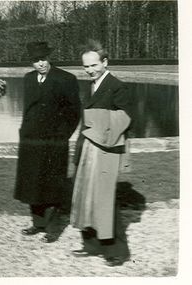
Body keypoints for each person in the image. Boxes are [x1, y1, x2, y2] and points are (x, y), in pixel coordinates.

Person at [70, 39, 132, 267]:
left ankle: (117, 252)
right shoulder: (93, 84)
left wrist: (96, 125)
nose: (89, 71)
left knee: (106, 200)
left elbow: (126, 118)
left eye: (94, 65)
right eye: (86, 66)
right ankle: (92, 245)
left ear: (105, 62)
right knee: (87, 196)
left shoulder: (116, 86)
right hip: (89, 148)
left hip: (106, 149)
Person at [14, 42, 81, 238]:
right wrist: (24, 132)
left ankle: (52, 229)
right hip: (31, 141)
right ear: (31, 62)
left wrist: (62, 136)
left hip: (54, 142)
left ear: (49, 58)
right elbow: (28, 111)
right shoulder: (28, 79)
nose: (40, 63)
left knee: (52, 184)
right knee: (32, 182)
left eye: (43, 58)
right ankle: (38, 223)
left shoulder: (66, 79)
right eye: (36, 60)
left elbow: (74, 112)